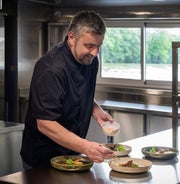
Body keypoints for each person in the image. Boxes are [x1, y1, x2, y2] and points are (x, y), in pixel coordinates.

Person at [20, 10, 115, 169]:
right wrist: (85, 146)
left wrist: (95, 109)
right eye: (89, 45)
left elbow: (75, 92)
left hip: (72, 153)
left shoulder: (90, 60)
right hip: (42, 160)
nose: (95, 53)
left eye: (99, 46)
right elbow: (45, 123)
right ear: (72, 37)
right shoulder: (50, 69)